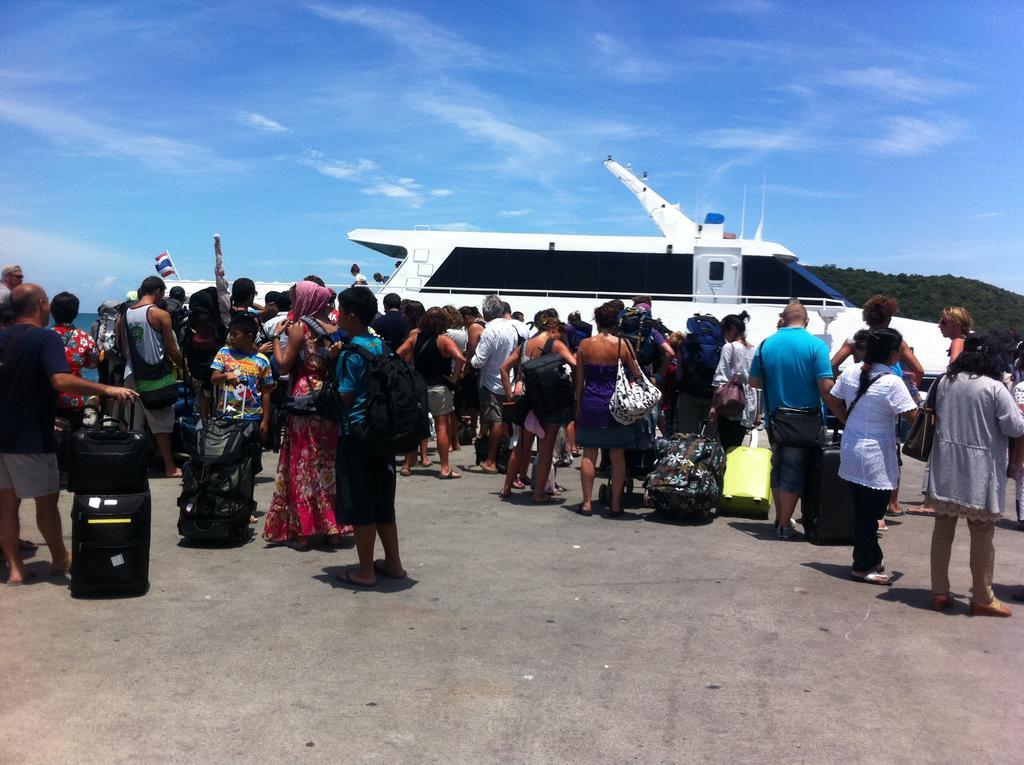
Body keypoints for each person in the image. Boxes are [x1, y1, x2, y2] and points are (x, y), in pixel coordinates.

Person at [0, 284, 136, 584]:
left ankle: (15, 569)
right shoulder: (45, 337)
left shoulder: (3, 337)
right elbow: (61, 380)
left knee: (6, 507)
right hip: (30, 438)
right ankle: (61, 558)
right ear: (41, 304)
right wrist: (106, 389)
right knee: (46, 503)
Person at [924, 333, 1024, 616]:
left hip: (946, 465)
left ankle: (939, 592)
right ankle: (983, 597)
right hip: (980, 471)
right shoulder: (994, 388)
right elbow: (1015, 428)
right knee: (982, 535)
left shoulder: (945, 382)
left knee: (942, 531)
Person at [826, 329, 917, 586]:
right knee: (871, 514)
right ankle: (862, 565)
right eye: (900, 350)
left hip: (852, 448)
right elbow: (913, 418)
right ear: (891, 353)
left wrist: (848, 421)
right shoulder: (892, 381)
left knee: (863, 510)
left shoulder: (853, 371)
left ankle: (871, 557)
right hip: (875, 454)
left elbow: (832, 399)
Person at [263, 281, 348, 550]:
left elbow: (284, 364)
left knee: (301, 464)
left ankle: (302, 529)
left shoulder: (301, 327)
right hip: (330, 400)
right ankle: (333, 527)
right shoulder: (335, 328)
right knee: (327, 463)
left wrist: (276, 338)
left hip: (304, 398)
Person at [334, 287, 405, 587]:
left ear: (351, 316)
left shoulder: (351, 353)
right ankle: (393, 563)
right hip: (384, 436)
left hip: (357, 435)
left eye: (339, 311)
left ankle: (365, 571)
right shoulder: (382, 347)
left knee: (362, 505)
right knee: (383, 503)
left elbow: (345, 397)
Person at [749, 302, 834, 539]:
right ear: (806, 321)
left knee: (779, 468)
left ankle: (780, 518)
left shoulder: (766, 344)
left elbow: (753, 381)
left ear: (783, 319)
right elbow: (825, 386)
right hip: (804, 421)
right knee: (794, 471)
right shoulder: (816, 346)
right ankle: (785, 525)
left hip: (776, 419)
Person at [574, 301, 644, 517]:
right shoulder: (623, 345)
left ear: (597, 322)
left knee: (589, 453)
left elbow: (579, 382)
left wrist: (578, 409)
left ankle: (586, 503)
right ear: (616, 322)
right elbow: (636, 374)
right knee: (617, 455)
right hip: (616, 404)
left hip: (592, 402)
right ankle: (615, 504)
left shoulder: (584, 345)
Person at [500, 309, 576, 503]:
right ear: (554, 329)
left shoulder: (525, 345)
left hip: (526, 400)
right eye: (561, 331)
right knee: (545, 449)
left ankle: (507, 487)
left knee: (520, 447)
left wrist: (509, 395)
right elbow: (574, 364)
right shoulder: (556, 345)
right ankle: (538, 493)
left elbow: (504, 367)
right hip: (549, 402)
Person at [119, 276, 184, 478]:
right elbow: (172, 349)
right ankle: (170, 467)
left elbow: (122, 346)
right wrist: (185, 368)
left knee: (133, 423)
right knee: (161, 423)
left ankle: (132, 466)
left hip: (131, 372)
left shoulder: (125, 314)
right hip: (155, 376)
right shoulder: (160, 314)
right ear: (158, 291)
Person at [395, 307, 466, 479]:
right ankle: (444, 468)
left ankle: (406, 465)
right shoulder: (444, 340)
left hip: (418, 386)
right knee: (442, 427)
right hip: (439, 386)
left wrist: (407, 374)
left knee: (414, 425)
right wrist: (454, 378)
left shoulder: (414, 338)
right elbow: (461, 358)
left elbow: (397, 354)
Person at [471, 295, 527, 473]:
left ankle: (491, 460)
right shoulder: (513, 327)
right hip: (511, 380)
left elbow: (479, 361)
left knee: (496, 421)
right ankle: (507, 457)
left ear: (486, 312)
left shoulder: (489, 331)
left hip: (492, 381)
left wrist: (470, 361)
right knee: (509, 421)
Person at [209, 314, 274, 434]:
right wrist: (226, 376)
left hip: (252, 416)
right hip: (225, 414)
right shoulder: (224, 353)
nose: (231, 337)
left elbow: (265, 392)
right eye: (230, 333)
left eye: (235, 334)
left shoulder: (262, 360)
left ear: (249, 337)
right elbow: (214, 379)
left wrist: (265, 420)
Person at [50, 291, 100, 430]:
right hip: (74, 398)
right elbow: (92, 364)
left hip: (48, 398)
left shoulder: (44, 336)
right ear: (75, 313)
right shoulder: (84, 338)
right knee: (73, 438)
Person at [710, 311, 758, 449]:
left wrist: (713, 406)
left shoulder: (728, 347)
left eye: (724, 330)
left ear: (732, 329)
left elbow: (720, 378)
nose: (723, 335)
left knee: (723, 446)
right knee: (735, 445)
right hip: (748, 405)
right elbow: (757, 383)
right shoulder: (754, 349)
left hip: (730, 403)